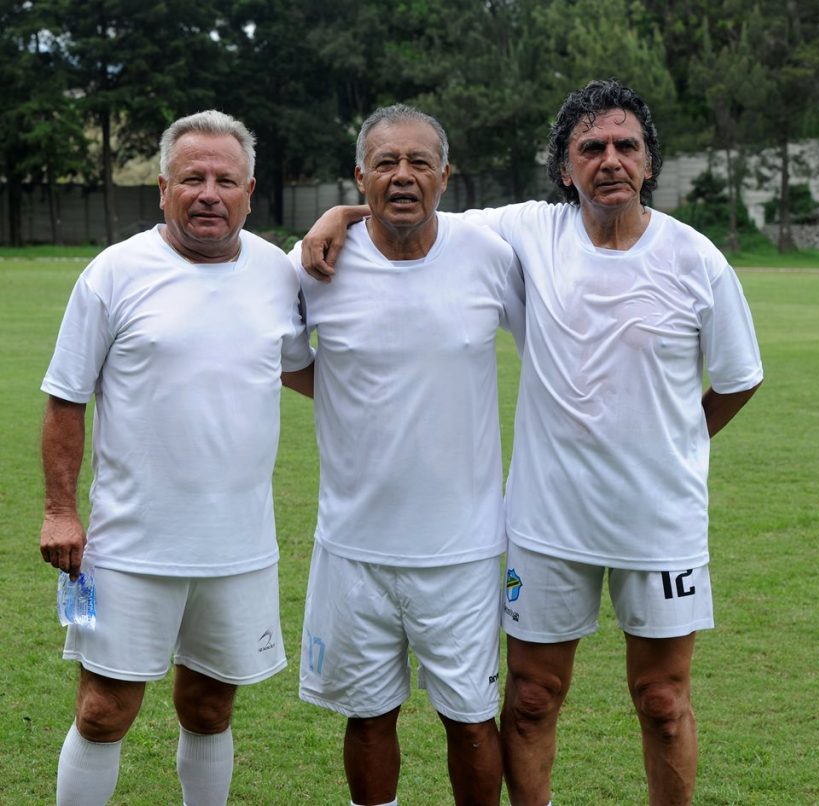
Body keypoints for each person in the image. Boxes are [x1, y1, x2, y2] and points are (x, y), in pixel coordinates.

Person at [301, 80, 763, 806]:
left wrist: (679, 443)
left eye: (625, 146)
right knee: (531, 699)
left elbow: (739, 378)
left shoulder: (696, 258)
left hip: (661, 521)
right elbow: (415, 199)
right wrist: (341, 212)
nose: (608, 160)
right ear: (564, 166)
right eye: (590, 148)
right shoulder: (525, 234)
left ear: (648, 162)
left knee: (664, 703)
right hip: (546, 523)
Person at [39, 109, 313, 806]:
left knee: (210, 707)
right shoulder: (115, 272)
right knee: (104, 710)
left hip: (236, 547)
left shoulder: (277, 275)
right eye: (193, 178)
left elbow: (302, 372)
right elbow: (66, 398)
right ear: (164, 187)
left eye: (226, 180)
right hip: (129, 544)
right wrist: (59, 511)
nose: (209, 193)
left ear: (251, 191)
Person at [282, 104, 524, 806]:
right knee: (368, 716)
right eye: (386, 163)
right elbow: (294, 365)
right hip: (354, 546)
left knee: (473, 725)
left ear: (447, 177)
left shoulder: (490, 254)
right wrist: (355, 397)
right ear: (360, 177)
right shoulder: (318, 266)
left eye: (420, 162)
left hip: (464, 549)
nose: (403, 176)